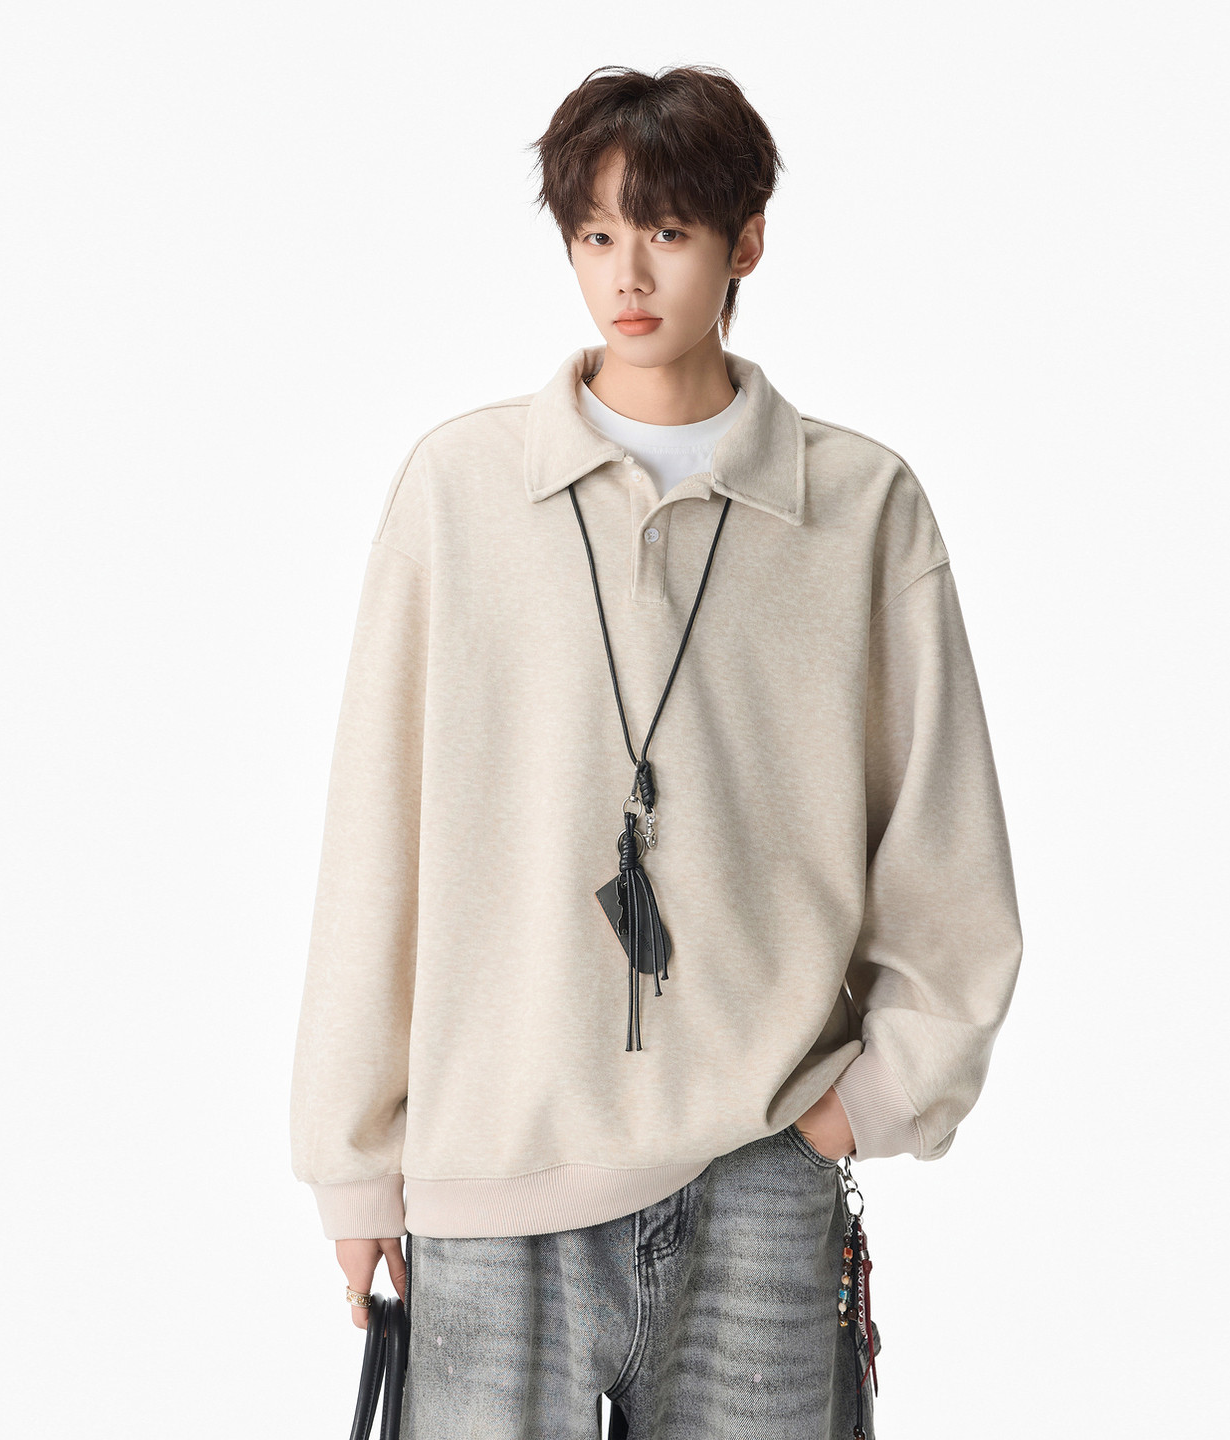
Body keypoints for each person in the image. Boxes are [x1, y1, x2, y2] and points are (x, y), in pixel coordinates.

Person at [289, 62, 1024, 1440]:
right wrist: (352, 1160)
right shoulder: (459, 491)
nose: (627, 275)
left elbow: (946, 847)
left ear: (746, 242)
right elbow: (376, 839)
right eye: (596, 234)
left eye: (669, 231)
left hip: (759, 1172)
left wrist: (867, 1103)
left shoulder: (861, 509)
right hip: (494, 1178)